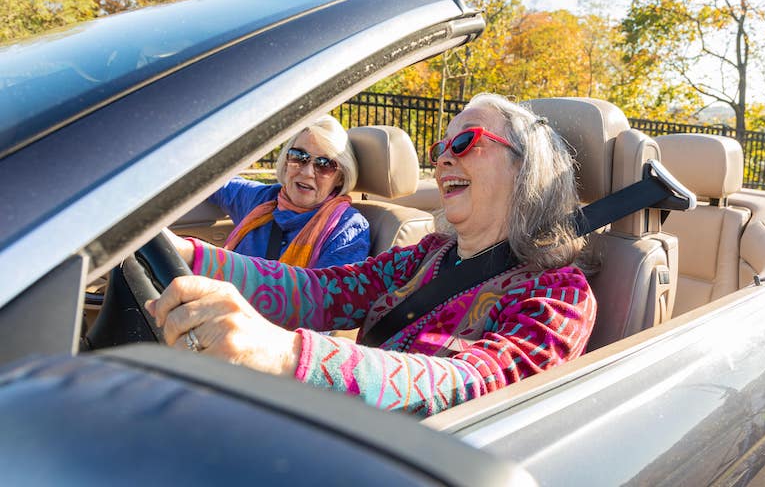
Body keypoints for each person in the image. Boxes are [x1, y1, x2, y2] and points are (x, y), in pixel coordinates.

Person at [147, 93, 597, 417]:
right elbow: (323, 291)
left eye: (465, 142)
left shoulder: (559, 294)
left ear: (526, 168)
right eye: (441, 148)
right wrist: (189, 253)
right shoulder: (426, 255)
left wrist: (288, 354)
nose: (441, 160)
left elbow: (475, 384)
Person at [210, 115, 370, 268]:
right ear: (286, 161)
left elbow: (328, 293)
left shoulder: (347, 227)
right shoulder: (263, 199)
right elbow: (210, 179)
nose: (307, 172)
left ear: (340, 178)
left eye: (324, 164)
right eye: (299, 156)